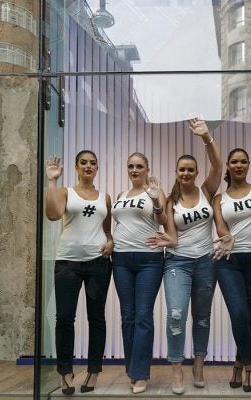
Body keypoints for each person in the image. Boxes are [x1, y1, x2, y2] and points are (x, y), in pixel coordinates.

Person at [147, 118, 222, 395]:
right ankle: (177, 368)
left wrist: (206, 138)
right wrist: (164, 230)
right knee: (176, 316)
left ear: (196, 171)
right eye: (182, 169)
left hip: (205, 262)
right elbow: (171, 234)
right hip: (177, 262)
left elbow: (218, 166)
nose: (186, 173)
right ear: (177, 172)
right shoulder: (170, 200)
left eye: (191, 169)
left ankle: (198, 365)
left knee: (202, 317)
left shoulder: (206, 191)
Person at [45, 151, 114, 396]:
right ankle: (65, 372)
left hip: (98, 264)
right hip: (67, 263)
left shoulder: (104, 197)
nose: (88, 166)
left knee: (97, 318)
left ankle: (94, 371)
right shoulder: (65, 192)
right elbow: (53, 214)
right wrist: (52, 181)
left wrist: (110, 241)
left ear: (97, 168)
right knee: (64, 318)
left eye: (92, 163)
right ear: (76, 167)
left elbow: (107, 230)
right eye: (83, 162)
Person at [211, 148, 251, 392]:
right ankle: (250, 365)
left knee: (248, 315)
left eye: (243, 162)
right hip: (228, 261)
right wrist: (226, 236)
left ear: (248, 165)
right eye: (234, 162)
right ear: (228, 166)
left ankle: (238, 363)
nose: (239, 165)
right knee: (238, 312)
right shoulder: (219, 199)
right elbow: (220, 227)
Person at [111, 152, 168, 394]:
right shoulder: (121, 196)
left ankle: (141, 373)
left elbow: (164, 220)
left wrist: (155, 200)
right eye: (131, 166)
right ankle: (132, 369)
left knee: (143, 315)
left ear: (147, 169)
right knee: (128, 316)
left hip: (149, 260)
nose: (134, 170)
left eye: (139, 166)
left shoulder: (155, 191)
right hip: (121, 259)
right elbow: (119, 224)